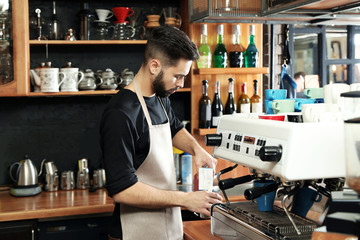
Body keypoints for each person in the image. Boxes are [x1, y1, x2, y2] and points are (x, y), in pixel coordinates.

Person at [100, 26, 222, 240]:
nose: (181, 83)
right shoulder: (121, 113)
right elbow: (121, 190)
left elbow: (175, 128)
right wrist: (185, 199)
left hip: (166, 229)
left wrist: (197, 150)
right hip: (134, 233)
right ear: (155, 66)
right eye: (178, 76)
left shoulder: (160, 97)